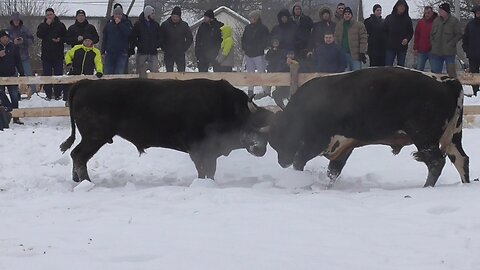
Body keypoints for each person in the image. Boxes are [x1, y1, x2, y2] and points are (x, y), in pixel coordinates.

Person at [36, 8, 67, 100]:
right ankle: (48, 94)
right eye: (48, 15)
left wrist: (60, 39)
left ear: (54, 15)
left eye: (51, 14)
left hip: (58, 55)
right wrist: (46, 25)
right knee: (47, 75)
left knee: (58, 75)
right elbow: (39, 35)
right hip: (46, 55)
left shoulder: (60, 25)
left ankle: (58, 94)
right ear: (46, 16)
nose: (49, 16)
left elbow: (66, 36)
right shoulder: (42, 25)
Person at [241, 10, 270, 97]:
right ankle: (250, 91)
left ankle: (266, 91)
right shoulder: (248, 28)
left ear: (257, 18)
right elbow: (243, 39)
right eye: (250, 17)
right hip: (248, 54)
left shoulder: (263, 28)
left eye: (253, 17)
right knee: (250, 73)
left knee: (261, 72)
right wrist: (245, 48)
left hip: (258, 54)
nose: (251, 19)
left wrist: (259, 48)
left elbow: (266, 40)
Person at [8, 11, 36, 96]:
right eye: (14, 20)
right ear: (12, 21)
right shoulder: (8, 31)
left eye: (18, 20)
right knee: (14, 76)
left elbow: (31, 40)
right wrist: (13, 42)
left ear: (20, 20)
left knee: (29, 75)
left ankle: (34, 94)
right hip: (13, 58)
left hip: (24, 57)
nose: (16, 21)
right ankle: (15, 94)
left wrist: (23, 41)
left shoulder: (25, 29)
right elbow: (5, 42)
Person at [0, 29, 25, 125]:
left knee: (14, 96)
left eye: (6, 37)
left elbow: (18, 61)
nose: (5, 39)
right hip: (0, 77)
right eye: (3, 37)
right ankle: (3, 117)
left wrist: (22, 73)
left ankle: (16, 117)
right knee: (1, 97)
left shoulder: (13, 47)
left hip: (12, 75)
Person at [430, 3, 462, 76]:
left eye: (441, 10)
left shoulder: (454, 21)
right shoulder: (436, 21)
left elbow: (459, 34)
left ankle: (451, 87)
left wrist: (451, 44)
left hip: (449, 52)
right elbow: (431, 34)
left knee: (451, 74)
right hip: (436, 52)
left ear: (446, 11)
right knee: (435, 75)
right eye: (439, 10)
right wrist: (433, 43)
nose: (439, 11)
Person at [160, 6, 193, 72]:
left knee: (181, 72)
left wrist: (184, 48)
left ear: (180, 17)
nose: (175, 18)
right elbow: (160, 38)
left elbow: (190, 38)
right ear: (171, 16)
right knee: (169, 73)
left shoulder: (184, 25)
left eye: (177, 17)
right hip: (168, 53)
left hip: (180, 53)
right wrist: (164, 48)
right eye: (173, 16)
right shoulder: (165, 25)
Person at [131, 5, 161, 78]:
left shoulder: (156, 25)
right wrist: (139, 45)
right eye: (152, 14)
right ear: (148, 14)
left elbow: (160, 37)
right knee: (140, 73)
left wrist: (156, 45)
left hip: (153, 52)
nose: (154, 15)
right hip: (142, 52)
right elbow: (133, 37)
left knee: (155, 73)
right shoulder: (138, 24)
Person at [334, 7, 367, 71]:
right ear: (343, 15)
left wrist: (362, 52)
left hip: (355, 55)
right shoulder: (339, 25)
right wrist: (337, 50)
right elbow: (336, 37)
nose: (347, 16)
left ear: (351, 15)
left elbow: (363, 39)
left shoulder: (359, 25)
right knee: (346, 75)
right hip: (344, 54)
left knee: (356, 74)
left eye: (348, 14)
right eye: (345, 14)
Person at [102, 5, 132, 74]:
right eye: (116, 14)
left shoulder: (126, 23)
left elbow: (128, 34)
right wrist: (103, 51)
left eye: (119, 14)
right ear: (113, 15)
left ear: (122, 15)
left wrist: (120, 24)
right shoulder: (109, 25)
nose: (117, 16)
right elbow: (105, 38)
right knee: (108, 73)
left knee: (119, 73)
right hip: (110, 53)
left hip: (122, 53)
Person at [384, 0, 413, 67]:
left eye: (404, 7)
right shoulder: (389, 18)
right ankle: (388, 77)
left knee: (401, 68)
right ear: (397, 7)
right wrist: (387, 41)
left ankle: (400, 78)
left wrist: (407, 39)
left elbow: (410, 32)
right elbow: (384, 31)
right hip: (390, 47)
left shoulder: (408, 19)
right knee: (388, 67)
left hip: (402, 48)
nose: (402, 8)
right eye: (401, 6)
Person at [266, 37, 290, 108]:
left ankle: (280, 95)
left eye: (277, 43)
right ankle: (268, 94)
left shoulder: (281, 51)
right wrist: (272, 52)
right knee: (270, 83)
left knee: (278, 84)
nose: (275, 44)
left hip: (279, 69)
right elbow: (267, 58)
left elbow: (281, 59)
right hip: (271, 69)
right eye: (274, 43)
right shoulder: (270, 51)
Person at [462, 5, 480, 96]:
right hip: (473, 55)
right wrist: (466, 50)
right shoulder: (470, 25)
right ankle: (476, 93)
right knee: (474, 75)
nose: (478, 14)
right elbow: (465, 38)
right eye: (477, 13)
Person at [413, 6, 437, 71]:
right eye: (425, 13)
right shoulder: (420, 23)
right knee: (419, 70)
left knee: (435, 70)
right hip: (422, 50)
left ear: (432, 13)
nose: (427, 15)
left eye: (428, 13)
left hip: (433, 51)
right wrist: (415, 48)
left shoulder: (436, 22)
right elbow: (416, 36)